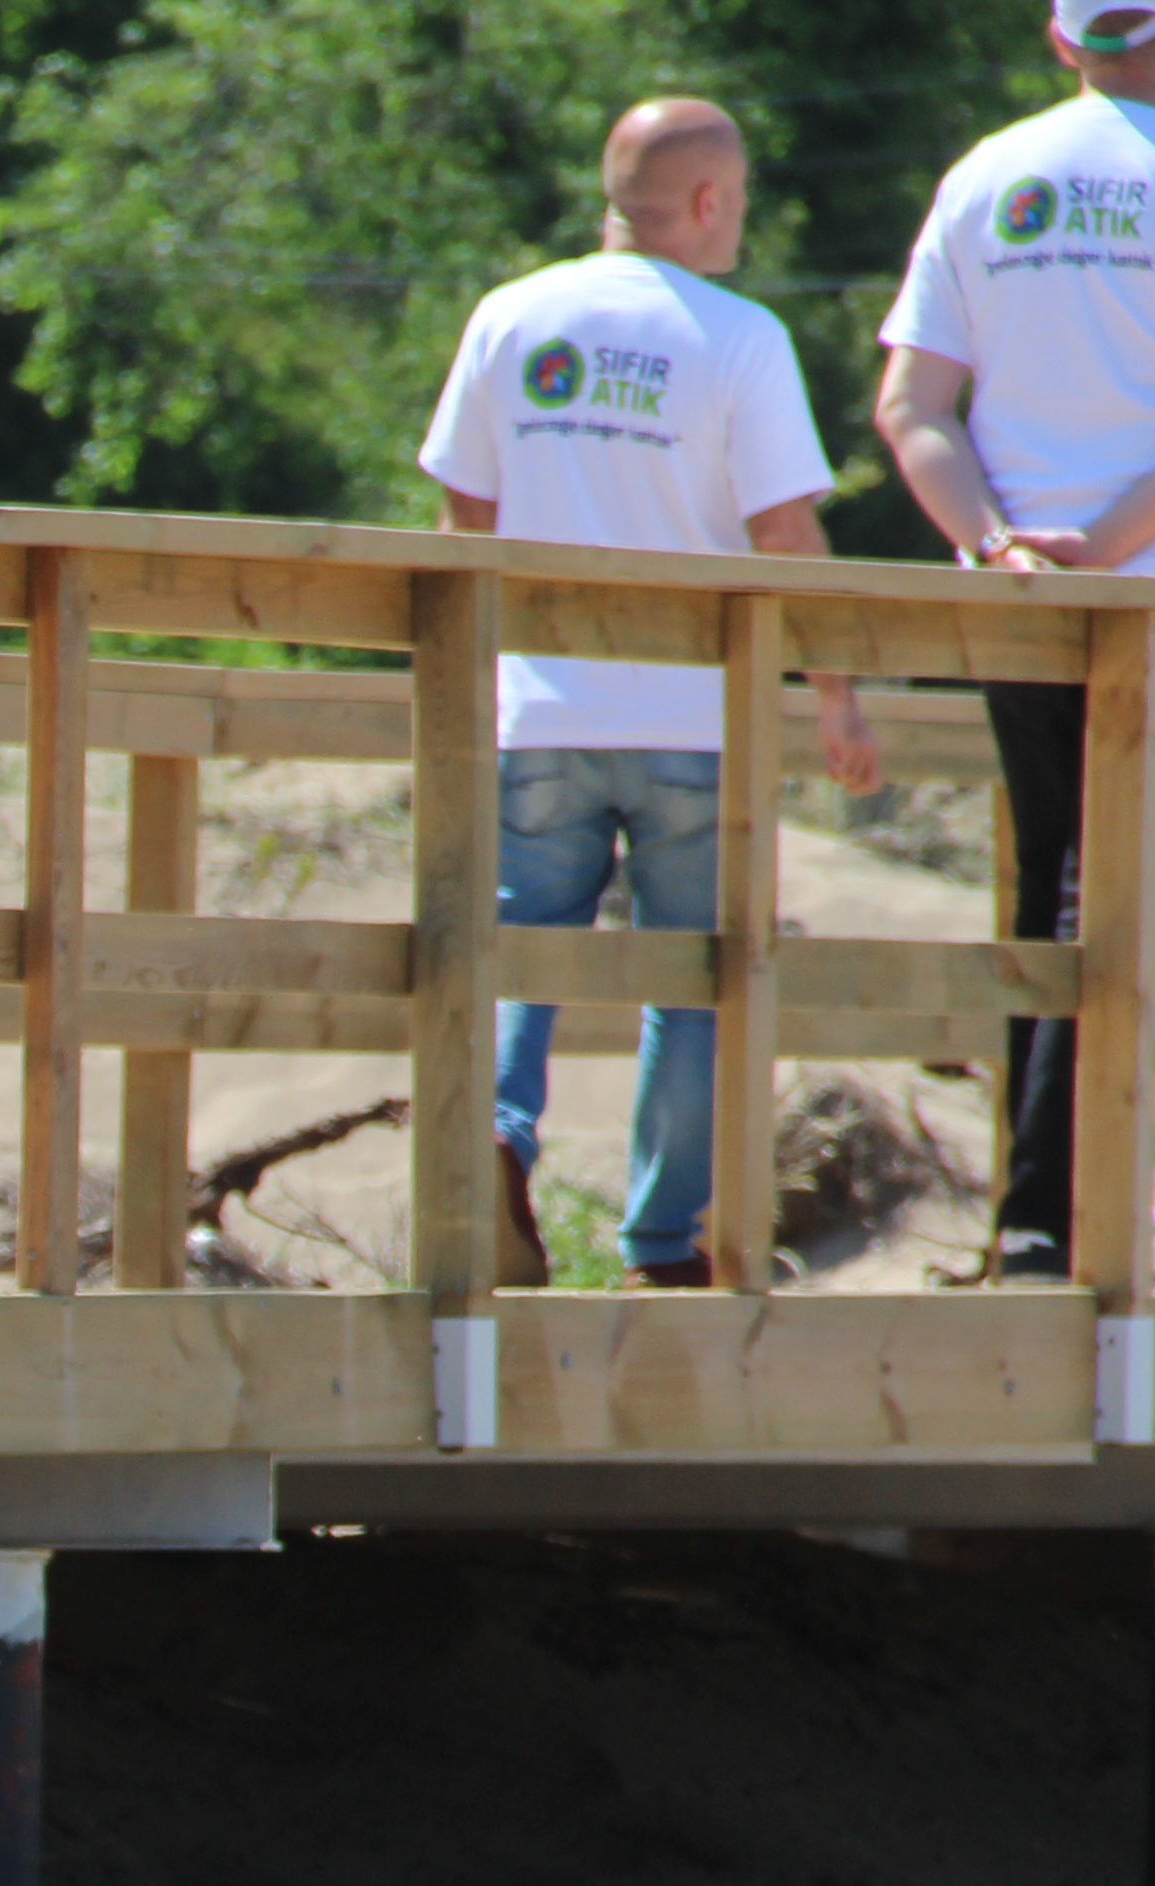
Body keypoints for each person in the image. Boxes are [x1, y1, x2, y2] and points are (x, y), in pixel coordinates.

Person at [873, 0, 1155, 1278]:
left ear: (1059, 39)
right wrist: (1114, 548)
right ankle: (1051, 1229)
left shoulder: (985, 174)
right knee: (1117, 902)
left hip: (1021, 601)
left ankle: (1035, 1220)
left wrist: (994, 544)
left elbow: (912, 406)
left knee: (1046, 894)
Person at [422, 98, 887, 1291]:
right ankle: (658, 1246)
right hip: (695, 720)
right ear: (709, 201)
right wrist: (834, 691)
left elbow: (464, 518)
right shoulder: (738, 337)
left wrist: (471, 685)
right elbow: (785, 531)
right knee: (692, 985)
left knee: (518, 947)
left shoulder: (510, 315)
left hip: (538, 710)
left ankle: (493, 1138)